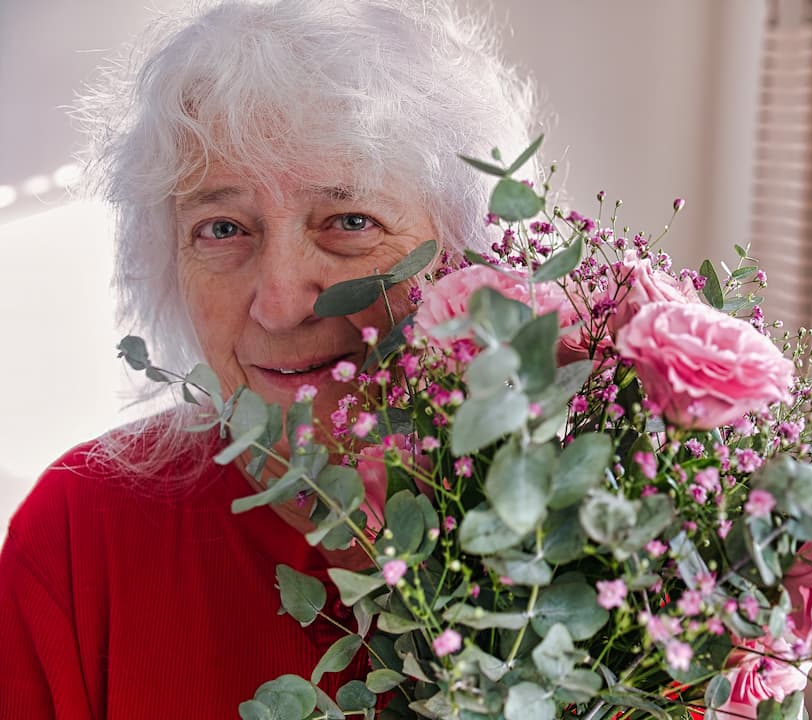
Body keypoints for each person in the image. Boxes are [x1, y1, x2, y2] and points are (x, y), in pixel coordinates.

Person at [0, 1, 534, 716]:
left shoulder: (611, 528)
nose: (281, 303)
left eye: (350, 222)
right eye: (222, 228)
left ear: (470, 250)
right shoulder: (80, 531)